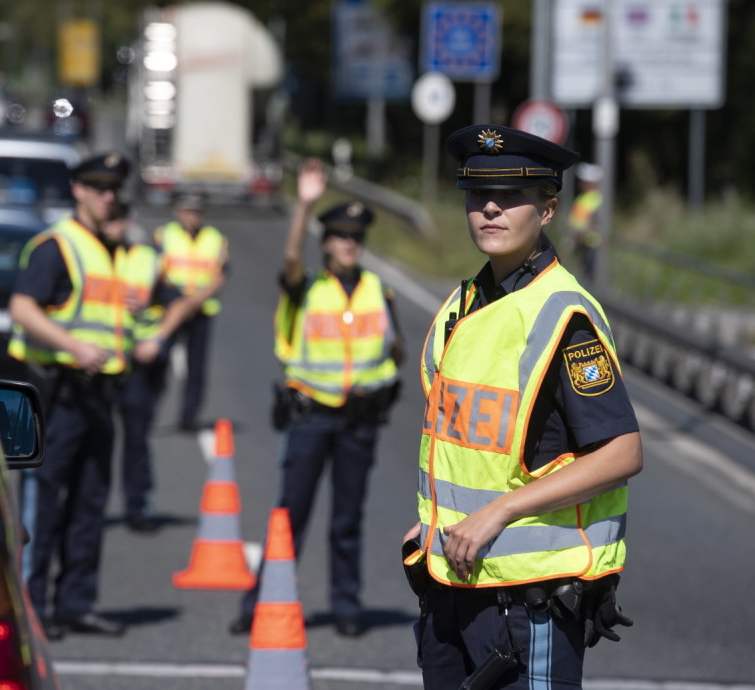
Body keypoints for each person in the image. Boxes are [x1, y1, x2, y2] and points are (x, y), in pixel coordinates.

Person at [402, 124, 643, 689]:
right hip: (451, 584)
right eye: (477, 194)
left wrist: (497, 513)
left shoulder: (564, 316)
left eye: (512, 196)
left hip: (525, 604)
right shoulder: (467, 302)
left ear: (549, 209)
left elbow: (622, 452)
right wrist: (432, 522)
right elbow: (470, 440)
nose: (490, 208)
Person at [230, 158, 404, 638]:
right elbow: (288, 262)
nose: (349, 243)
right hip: (310, 418)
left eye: (356, 237)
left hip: (359, 422)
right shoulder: (305, 287)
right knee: (290, 516)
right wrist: (304, 205)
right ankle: (258, 604)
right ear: (325, 242)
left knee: (348, 520)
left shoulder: (378, 291)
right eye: (340, 236)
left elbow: (397, 349)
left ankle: (347, 606)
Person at [7, 152, 143, 640]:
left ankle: (75, 604)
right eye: (99, 187)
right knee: (43, 504)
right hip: (59, 394)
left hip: (99, 395)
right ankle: (30, 607)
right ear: (78, 190)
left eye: (114, 189)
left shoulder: (111, 249)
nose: (109, 196)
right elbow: (22, 306)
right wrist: (73, 346)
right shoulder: (57, 247)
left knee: (90, 502)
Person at [111, 202, 199, 532]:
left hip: (138, 364)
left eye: (119, 218)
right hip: (93, 363)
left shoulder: (147, 261)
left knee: (137, 436)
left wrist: (159, 339)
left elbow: (181, 302)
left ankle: (137, 505)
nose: (113, 226)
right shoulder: (81, 256)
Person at [153, 190, 228, 431]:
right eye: (187, 210)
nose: (191, 216)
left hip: (201, 309)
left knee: (196, 368)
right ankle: (150, 409)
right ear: (177, 212)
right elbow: (155, 271)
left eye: (196, 211)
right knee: (159, 360)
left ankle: (188, 416)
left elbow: (221, 275)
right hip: (170, 306)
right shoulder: (164, 235)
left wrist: (195, 301)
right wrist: (177, 301)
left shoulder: (216, 239)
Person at [567, 161, 604, 281]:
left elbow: (595, 222)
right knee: (585, 277)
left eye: (583, 180)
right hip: (582, 243)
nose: (580, 183)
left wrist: (581, 234)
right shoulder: (582, 198)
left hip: (592, 244)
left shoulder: (597, 198)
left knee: (591, 279)